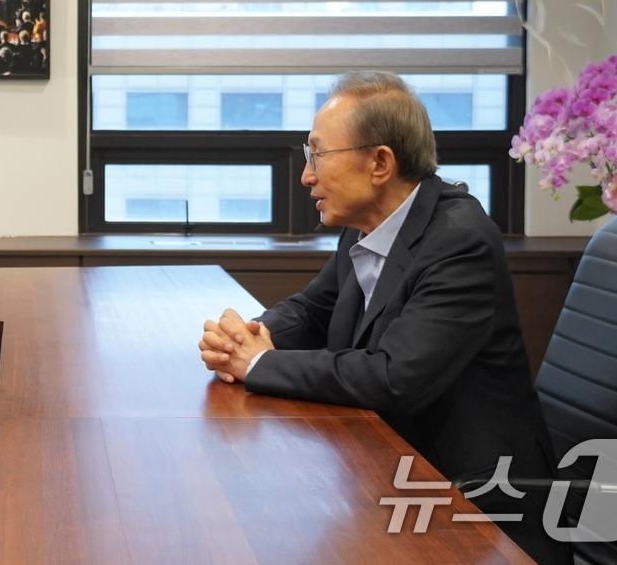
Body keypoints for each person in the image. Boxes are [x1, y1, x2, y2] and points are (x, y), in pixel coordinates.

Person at [197, 71, 565, 563]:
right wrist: (249, 336)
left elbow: (395, 376)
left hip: (472, 501)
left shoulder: (459, 241)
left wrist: (258, 364)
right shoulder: (368, 224)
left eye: (319, 155)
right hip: (390, 469)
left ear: (380, 163)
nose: (307, 175)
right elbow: (314, 307)